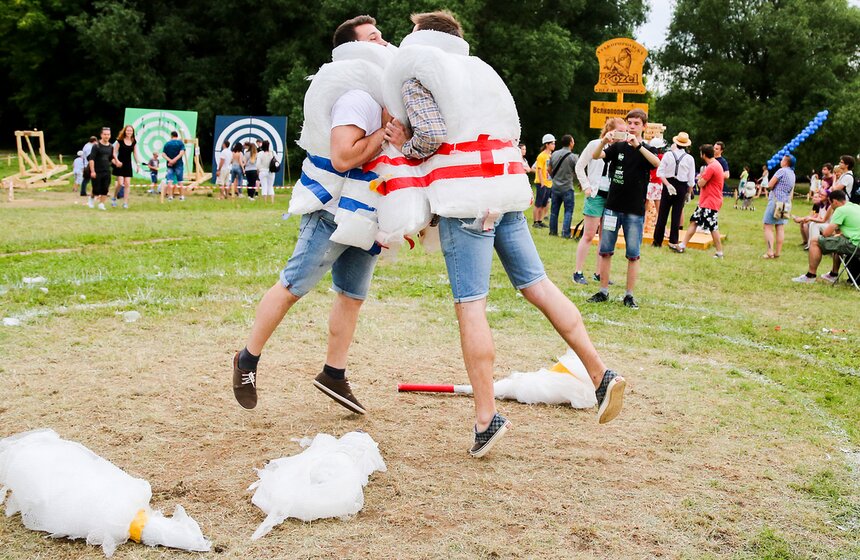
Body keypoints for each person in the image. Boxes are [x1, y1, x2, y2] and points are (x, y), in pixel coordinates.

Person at [382, 10, 626, 458]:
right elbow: (513, 131)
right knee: (539, 287)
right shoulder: (483, 72)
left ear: (422, 38)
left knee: (471, 305)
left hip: (466, 199)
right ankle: (599, 372)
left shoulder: (419, 72)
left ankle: (485, 417)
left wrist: (404, 145)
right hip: (506, 188)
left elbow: (432, 133)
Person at [231, 15, 393, 416]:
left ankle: (333, 374)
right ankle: (247, 359)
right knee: (293, 286)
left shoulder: (380, 96)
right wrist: (384, 131)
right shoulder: (355, 97)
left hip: (366, 212)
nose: (385, 42)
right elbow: (342, 156)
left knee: (351, 297)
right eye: (374, 37)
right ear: (354, 50)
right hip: (333, 211)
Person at [587, 108, 660, 309]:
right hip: (612, 207)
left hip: (634, 210)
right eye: (630, 123)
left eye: (637, 124)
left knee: (633, 254)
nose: (632, 127)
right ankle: (603, 291)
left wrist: (638, 146)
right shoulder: (618, 147)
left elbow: (656, 163)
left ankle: (629, 295)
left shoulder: (647, 149)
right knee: (606, 251)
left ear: (644, 127)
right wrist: (604, 141)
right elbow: (595, 156)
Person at [572, 118, 626, 284]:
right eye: (619, 132)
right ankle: (578, 272)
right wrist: (586, 186)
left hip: (612, 197)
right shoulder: (594, 144)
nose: (622, 135)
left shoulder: (622, 148)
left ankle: (599, 273)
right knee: (588, 235)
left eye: (624, 132)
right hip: (596, 195)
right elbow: (579, 166)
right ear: (610, 130)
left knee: (605, 236)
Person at [792, 189, 860, 283]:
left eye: (831, 203)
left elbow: (826, 233)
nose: (831, 206)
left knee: (815, 241)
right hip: (856, 242)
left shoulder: (840, 210)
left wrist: (835, 234)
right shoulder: (856, 206)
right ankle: (833, 274)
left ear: (835, 201)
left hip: (854, 245)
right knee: (838, 241)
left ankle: (810, 276)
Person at [669, 144, 725, 258]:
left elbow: (700, 183)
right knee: (694, 221)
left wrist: (699, 177)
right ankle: (682, 245)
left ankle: (719, 252)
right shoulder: (714, 165)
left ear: (703, 155)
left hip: (711, 201)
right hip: (706, 201)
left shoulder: (712, 167)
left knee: (713, 226)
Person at [652, 131, 695, 248]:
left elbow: (660, 172)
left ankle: (657, 241)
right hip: (682, 186)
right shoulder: (689, 158)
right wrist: (689, 192)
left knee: (662, 214)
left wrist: (667, 185)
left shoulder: (668, 155)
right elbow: (691, 179)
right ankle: (673, 241)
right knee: (676, 214)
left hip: (668, 184)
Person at [762, 154, 796, 259]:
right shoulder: (792, 173)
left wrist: (766, 187)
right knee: (780, 227)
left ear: (786, 162)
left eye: (782, 160)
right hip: (786, 203)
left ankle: (769, 251)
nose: (781, 161)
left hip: (776, 201)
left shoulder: (781, 171)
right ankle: (777, 252)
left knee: (767, 226)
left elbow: (771, 185)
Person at [547, 134, 577, 238]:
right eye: (573, 141)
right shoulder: (573, 157)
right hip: (567, 187)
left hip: (555, 187)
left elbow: (549, 169)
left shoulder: (554, 154)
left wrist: (555, 178)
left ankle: (553, 232)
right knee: (568, 211)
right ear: (570, 143)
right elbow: (578, 171)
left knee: (554, 211)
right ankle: (565, 233)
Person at [87, 127, 119, 211]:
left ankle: (101, 204)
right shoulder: (96, 146)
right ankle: (91, 200)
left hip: (106, 171)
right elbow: (91, 159)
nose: (106, 136)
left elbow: (111, 158)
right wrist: (92, 171)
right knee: (96, 189)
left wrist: (116, 162)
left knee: (105, 189)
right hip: (97, 171)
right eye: (105, 134)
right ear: (101, 135)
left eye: (108, 134)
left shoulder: (111, 146)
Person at [111, 124, 142, 209]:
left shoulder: (134, 141)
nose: (129, 132)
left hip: (128, 164)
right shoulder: (119, 141)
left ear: (133, 132)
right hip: (120, 163)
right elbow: (114, 152)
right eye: (128, 130)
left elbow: (135, 153)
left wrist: (138, 164)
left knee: (127, 183)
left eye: (131, 131)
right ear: (125, 131)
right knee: (120, 183)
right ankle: (114, 198)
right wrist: (116, 161)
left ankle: (125, 203)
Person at [533, 134, 554, 228]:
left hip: (549, 183)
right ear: (547, 144)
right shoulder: (541, 156)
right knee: (538, 203)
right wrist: (542, 182)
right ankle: (535, 222)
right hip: (542, 183)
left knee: (544, 204)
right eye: (552, 143)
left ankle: (540, 220)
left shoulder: (551, 155)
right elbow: (539, 169)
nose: (554, 145)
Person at [161, 131, 186, 202]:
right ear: (177, 136)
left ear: (171, 136)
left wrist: (170, 160)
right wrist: (174, 160)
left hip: (169, 165)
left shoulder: (167, 144)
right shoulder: (180, 143)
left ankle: (170, 196)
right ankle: (181, 197)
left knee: (169, 181)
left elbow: (163, 154)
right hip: (179, 164)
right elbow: (181, 153)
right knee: (180, 181)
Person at [80, 136, 97, 204]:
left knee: (86, 179)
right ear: (94, 141)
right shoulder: (90, 147)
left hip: (85, 164)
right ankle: (84, 192)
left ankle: (83, 191)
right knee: (88, 179)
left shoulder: (86, 145)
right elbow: (90, 156)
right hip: (89, 164)